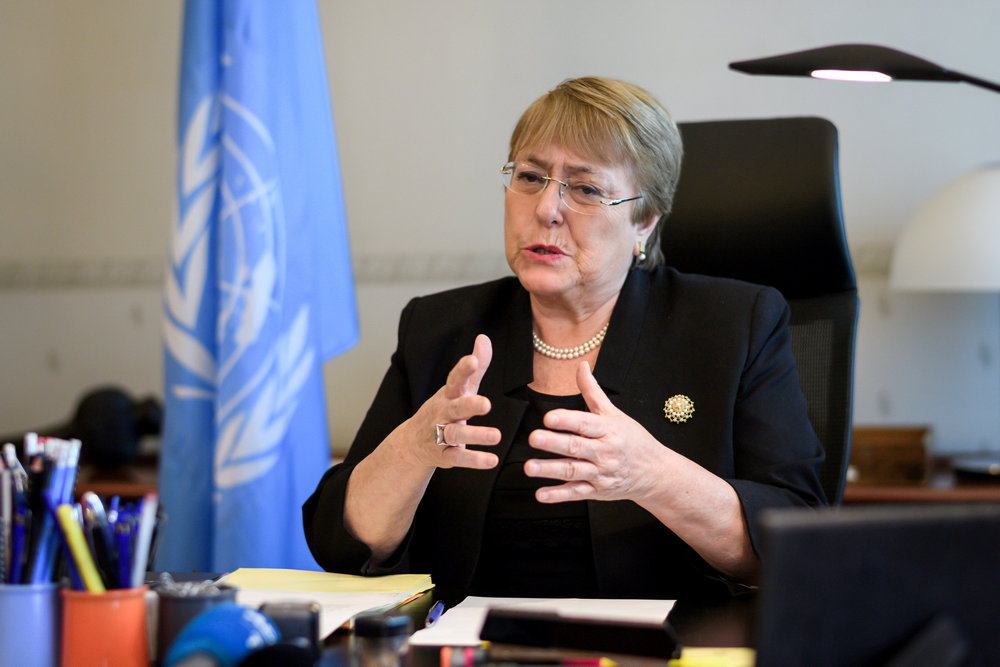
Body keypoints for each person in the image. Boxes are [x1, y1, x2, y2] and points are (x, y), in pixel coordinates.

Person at [303, 76, 826, 604]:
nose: (546, 209)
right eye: (530, 177)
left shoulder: (734, 325)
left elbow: (797, 539)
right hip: (468, 641)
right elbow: (338, 542)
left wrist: (652, 476)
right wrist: (413, 450)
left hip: (668, 642)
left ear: (644, 221)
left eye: (585, 189)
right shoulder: (440, 328)